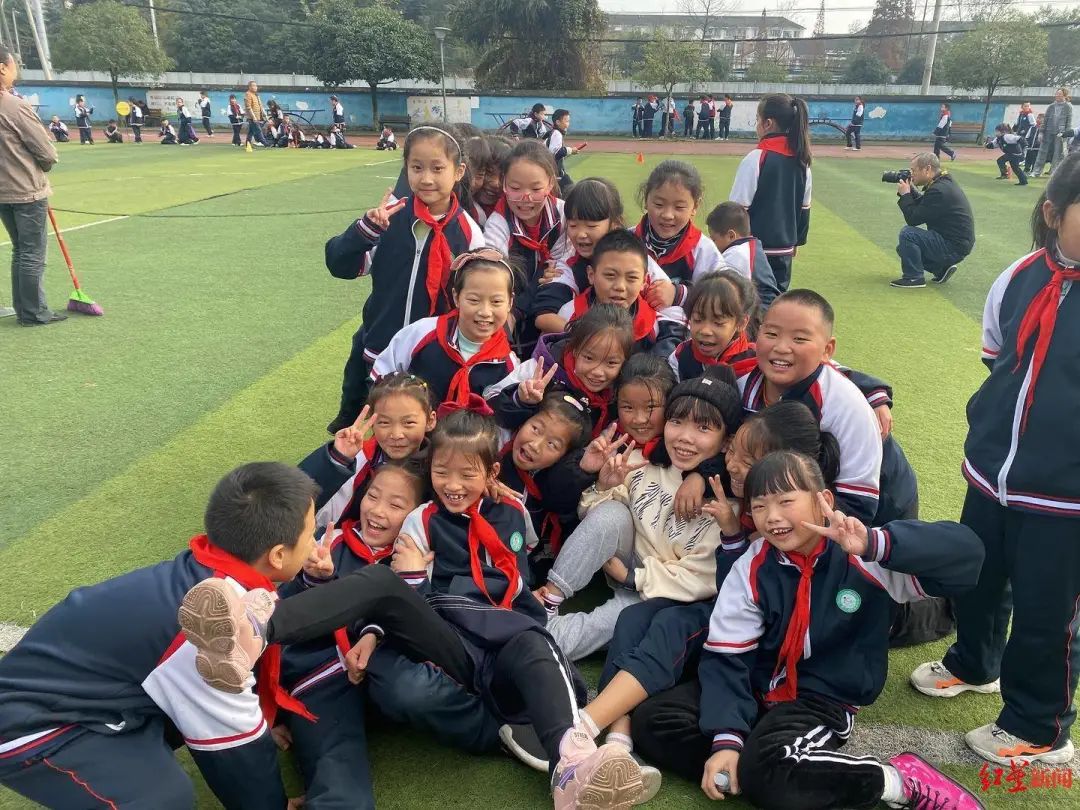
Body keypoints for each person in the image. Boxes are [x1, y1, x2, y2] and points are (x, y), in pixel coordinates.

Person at [179, 405, 648, 809]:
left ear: (491, 475)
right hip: (451, 641)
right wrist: (379, 622)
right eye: (442, 473)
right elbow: (406, 602)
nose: (453, 484)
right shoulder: (419, 522)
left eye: (467, 474)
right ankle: (255, 629)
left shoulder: (513, 512)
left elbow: (521, 567)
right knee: (383, 587)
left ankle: (572, 768)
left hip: (508, 641)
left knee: (532, 639)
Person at [645, 450, 985, 809]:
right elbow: (728, 658)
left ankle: (897, 780)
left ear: (823, 500)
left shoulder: (865, 555)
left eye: (786, 501)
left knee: (766, 769)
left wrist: (875, 543)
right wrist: (727, 739)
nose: (772, 517)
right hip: (758, 688)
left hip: (820, 700)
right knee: (654, 721)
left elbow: (968, 557)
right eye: (759, 506)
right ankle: (764, 766)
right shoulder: (752, 564)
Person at [0, 462, 322, 808]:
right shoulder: (206, 630)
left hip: (83, 695)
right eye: (310, 535)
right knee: (163, 799)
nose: (314, 542)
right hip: (31, 726)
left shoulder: (213, 576)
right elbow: (235, 745)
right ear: (278, 555)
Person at [910, 154, 1080, 767]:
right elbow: (997, 360)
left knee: (1047, 612)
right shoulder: (1017, 277)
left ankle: (1040, 725)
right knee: (978, 578)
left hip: (1066, 495)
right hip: (992, 474)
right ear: (1053, 214)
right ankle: (974, 663)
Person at [324, 126, 484, 434]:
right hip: (382, 342)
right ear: (406, 168)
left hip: (431, 352)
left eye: (438, 168)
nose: (426, 178)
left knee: (420, 425)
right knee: (381, 424)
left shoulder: (469, 232)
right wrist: (364, 232)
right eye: (417, 167)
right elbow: (340, 265)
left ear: (459, 171)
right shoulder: (388, 218)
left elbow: (476, 292)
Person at [370, 250, 520, 407]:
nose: (485, 312)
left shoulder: (508, 365)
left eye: (496, 302)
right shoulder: (423, 333)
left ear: (510, 302)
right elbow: (381, 377)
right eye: (474, 300)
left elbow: (502, 417)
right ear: (456, 297)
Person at [484, 139, 565, 357]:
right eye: (515, 188)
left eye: (536, 188)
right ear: (503, 184)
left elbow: (558, 271)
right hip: (509, 313)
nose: (525, 198)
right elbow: (495, 277)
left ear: (550, 183)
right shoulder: (498, 224)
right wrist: (514, 312)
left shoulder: (564, 215)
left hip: (550, 312)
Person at [0, 47, 64, 327]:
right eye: (14, 64)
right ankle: (33, 312)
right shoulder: (13, 106)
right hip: (25, 189)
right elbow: (46, 153)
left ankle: (26, 309)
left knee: (21, 251)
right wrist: (45, 166)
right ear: (3, 67)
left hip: (4, 192)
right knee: (31, 253)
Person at [553, 229, 687, 358]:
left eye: (632, 278)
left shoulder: (656, 327)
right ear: (591, 275)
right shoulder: (568, 314)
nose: (620, 287)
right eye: (610, 275)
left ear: (644, 281)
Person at [730, 93, 813, 293]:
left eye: (757, 119)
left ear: (767, 123)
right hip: (784, 252)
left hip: (754, 252)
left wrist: (730, 243)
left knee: (751, 304)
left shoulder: (756, 158)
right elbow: (804, 209)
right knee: (776, 303)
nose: (756, 124)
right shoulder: (803, 163)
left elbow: (737, 209)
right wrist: (796, 242)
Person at [633, 160, 723, 307]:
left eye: (679, 207)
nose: (668, 215)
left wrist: (678, 294)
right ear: (646, 200)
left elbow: (721, 297)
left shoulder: (703, 250)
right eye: (659, 205)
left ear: (695, 206)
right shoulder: (626, 240)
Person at [890, 152, 975, 288]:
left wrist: (905, 195)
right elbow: (925, 205)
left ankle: (913, 278)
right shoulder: (943, 182)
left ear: (927, 169)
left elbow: (913, 219)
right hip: (958, 243)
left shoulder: (939, 190)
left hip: (953, 246)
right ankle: (941, 269)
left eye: (913, 170)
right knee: (904, 249)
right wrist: (911, 190)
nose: (911, 174)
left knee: (908, 234)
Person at [668, 270, 759, 382]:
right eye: (698, 320)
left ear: (741, 323)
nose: (705, 331)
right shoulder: (680, 357)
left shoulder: (756, 366)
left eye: (718, 323)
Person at [705, 202, 781, 307]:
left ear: (731, 236)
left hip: (760, 309)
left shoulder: (737, 254)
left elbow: (719, 289)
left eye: (714, 239)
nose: (712, 244)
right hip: (764, 305)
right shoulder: (751, 245)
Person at [1031, 87, 1073, 178]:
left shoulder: (1068, 106)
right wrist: (1041, 132)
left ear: (1064, 96)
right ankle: (1036, 172)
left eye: (1060, 94)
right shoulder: (1051, 106)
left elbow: (1069, 121)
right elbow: (1045, 120)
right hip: (1048, 132)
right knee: (1042, 152)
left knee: (1058, 154)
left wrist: (1066, 134)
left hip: (1060, 133)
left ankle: (1054, 173)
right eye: (1056, 94)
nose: (1057, 96)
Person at [546, 109, 578, 193]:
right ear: (558, 122)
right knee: (571, 191)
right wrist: (570, 150)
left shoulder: (554, 133)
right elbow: (556, 153)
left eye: (568, 121)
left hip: (554, 172)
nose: (568, 124)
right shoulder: (557, 134)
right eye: (566, 121)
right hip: (555, 172)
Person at [244, 80, 268, 147]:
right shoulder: (248, 94)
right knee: (258, 130)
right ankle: (265, 143)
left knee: (251, 132)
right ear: (249, 87)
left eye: (256, 86)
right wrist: (253, 117)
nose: (255, 87)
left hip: (258, 116)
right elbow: (248, 107)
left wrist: (264, 114)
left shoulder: (256, 95)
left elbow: (261, 105)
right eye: (253, 86)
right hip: (252, 117)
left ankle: (248, 144)